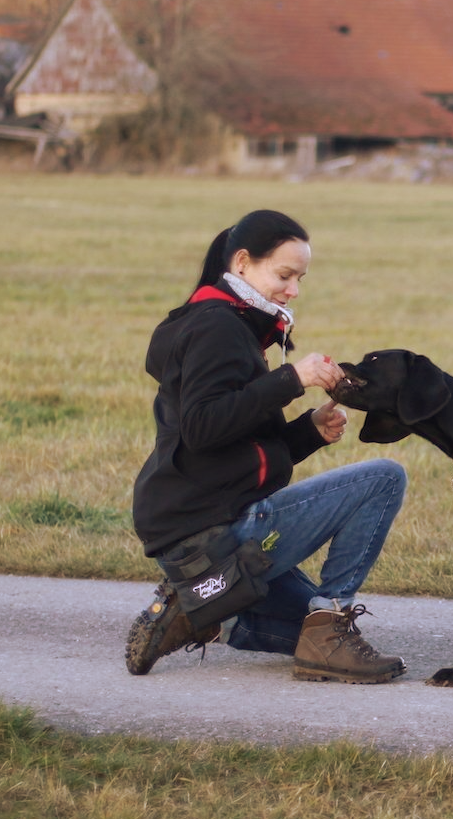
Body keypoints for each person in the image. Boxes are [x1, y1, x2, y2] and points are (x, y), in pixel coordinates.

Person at [125, 209, 407, 683]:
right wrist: (291, 379)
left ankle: (201, 609)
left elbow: (234, 448)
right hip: (211, 530)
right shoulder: (218, 328)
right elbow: (202, 427)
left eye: (300, 278)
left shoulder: (226, 325)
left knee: (303, 628)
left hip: (194, 530)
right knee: (383, 478)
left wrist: (307, 431)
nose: (293, 289)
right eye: (284, 274)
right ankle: (327, 632)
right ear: (241, 263)